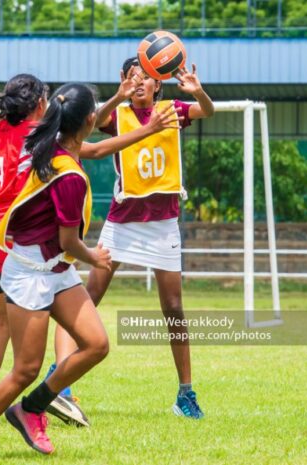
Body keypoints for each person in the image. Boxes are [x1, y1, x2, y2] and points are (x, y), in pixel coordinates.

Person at [0, 74, 181, 428]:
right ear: (41, 104)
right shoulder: (42, 141)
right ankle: (7, 415)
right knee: (28, 364)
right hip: (25, 241)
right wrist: (147, 128)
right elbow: (95, 151)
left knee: (11, 326)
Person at [0, 83, 117, 459]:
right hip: (31, 271)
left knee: (96, 345)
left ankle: (31, 409)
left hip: (54, 268)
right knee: (26, 369)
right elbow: (69, 241)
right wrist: (95, 258)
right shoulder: (67, 174)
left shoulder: (54, 148)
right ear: (90, 120)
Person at [53, 57, 215, 421]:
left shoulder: (172, 110)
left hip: (163, 224)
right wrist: (117, 96)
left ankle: (185, 394)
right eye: (132, 77)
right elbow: (87, 128)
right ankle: (59, 380)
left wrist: (198, 91)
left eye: (145, 77)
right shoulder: (118, 115)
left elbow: (207, 111)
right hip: (123, 221)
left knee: (173, 307)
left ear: (158, 84)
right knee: (87, 298)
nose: (139, 82)